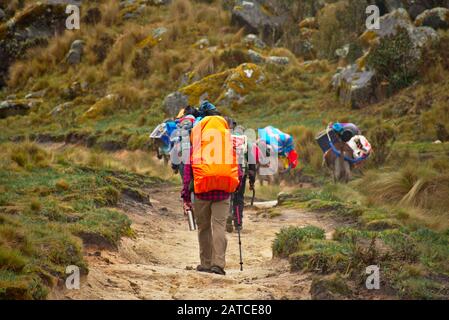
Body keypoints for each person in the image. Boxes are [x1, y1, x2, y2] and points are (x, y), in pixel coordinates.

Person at [181, 105, 242, 276]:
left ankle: (206, 263)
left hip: (202, 192)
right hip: (223, 192)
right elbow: (238, 168)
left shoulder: (198, 145)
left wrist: (185, 196)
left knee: (204, 228)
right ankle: (218, 264)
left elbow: (188, 172)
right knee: (219, 226)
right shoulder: (227, 143)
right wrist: (236, 187)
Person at [226, 123, 258, 233]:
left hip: (227, 173)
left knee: (228, 196)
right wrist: (252, 181)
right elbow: (252, 165)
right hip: (241, 174)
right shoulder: (246, 143)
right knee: (238, 199)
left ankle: (228, 217)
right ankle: (238, 224)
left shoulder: (227, 139)